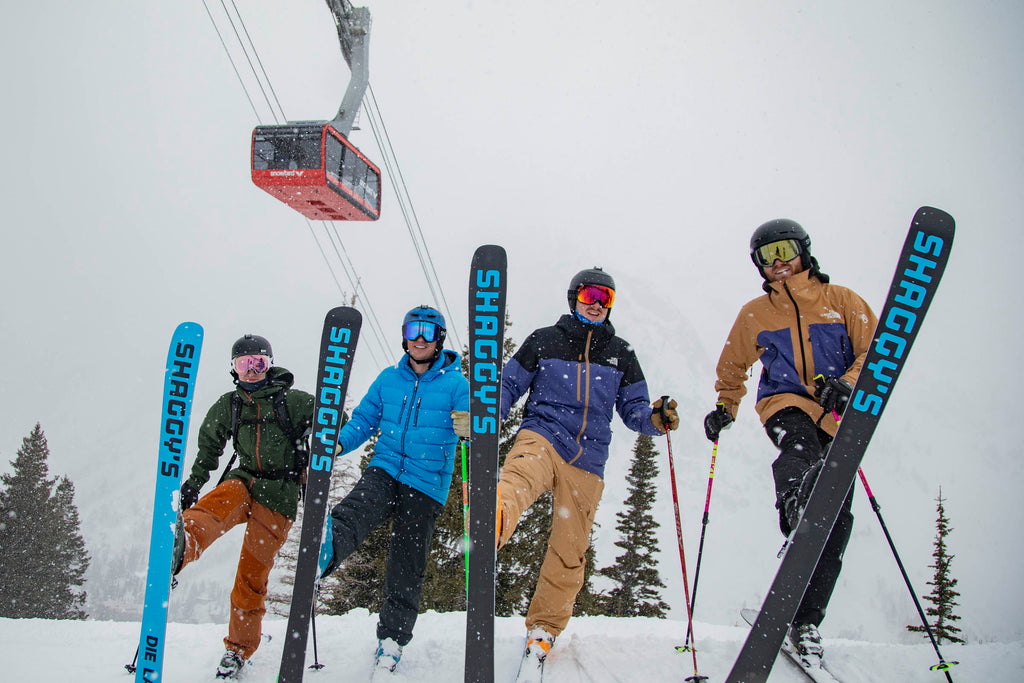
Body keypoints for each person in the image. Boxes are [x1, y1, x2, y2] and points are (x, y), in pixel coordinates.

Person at [702, 219, 878, 668]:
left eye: (784, 251)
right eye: (767, 255)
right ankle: (799, 508)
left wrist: (849, 383)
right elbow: (734, 364)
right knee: (797, 449)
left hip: (837, 415)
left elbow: (875, 350)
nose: (778, 263)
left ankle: (806, 621)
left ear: (803, 251)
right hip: (784, 403)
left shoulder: (843, 302)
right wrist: (726, 406)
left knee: (838, 519)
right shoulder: (755, 314)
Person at [497, 267, 679, 680]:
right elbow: (508, 385)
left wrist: (656, 418)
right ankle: (495, 517)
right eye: (590, 294)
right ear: (573, 297)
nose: (597, 303)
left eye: (606, 298)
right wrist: (489, 411)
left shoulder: (622, 353)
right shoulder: (545, 340)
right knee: (520, 476)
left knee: (570, 547)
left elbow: (635, 411)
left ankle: (544, 627)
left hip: (589, 459)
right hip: (542, 434)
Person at [320, 305, 470, 674]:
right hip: (385, 469)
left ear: (439, 339)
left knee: (407, 563)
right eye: (413, 330)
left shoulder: (457, 384)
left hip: (426, 484)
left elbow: (473, 429)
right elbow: (364, 421)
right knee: (356, 509)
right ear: (404, 335)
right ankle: (322, 554)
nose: (419, 338)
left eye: (428, 332)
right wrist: (337, 444)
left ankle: (392, 639)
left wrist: (470, 427)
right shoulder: (388, 379)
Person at [173, 334, 315, 679]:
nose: (251, 371)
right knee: (214, 506)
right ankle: (180, 545)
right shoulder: (229, 405)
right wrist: (192, 484)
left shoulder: (292, 402)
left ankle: (238, 648)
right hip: (243, 480)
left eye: (259, 363)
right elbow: (209, 448)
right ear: (233, 369)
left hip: (278, 494)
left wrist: (325, 437)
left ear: (270, 364)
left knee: (250, 575)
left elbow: (336, 417)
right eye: (244, 364)